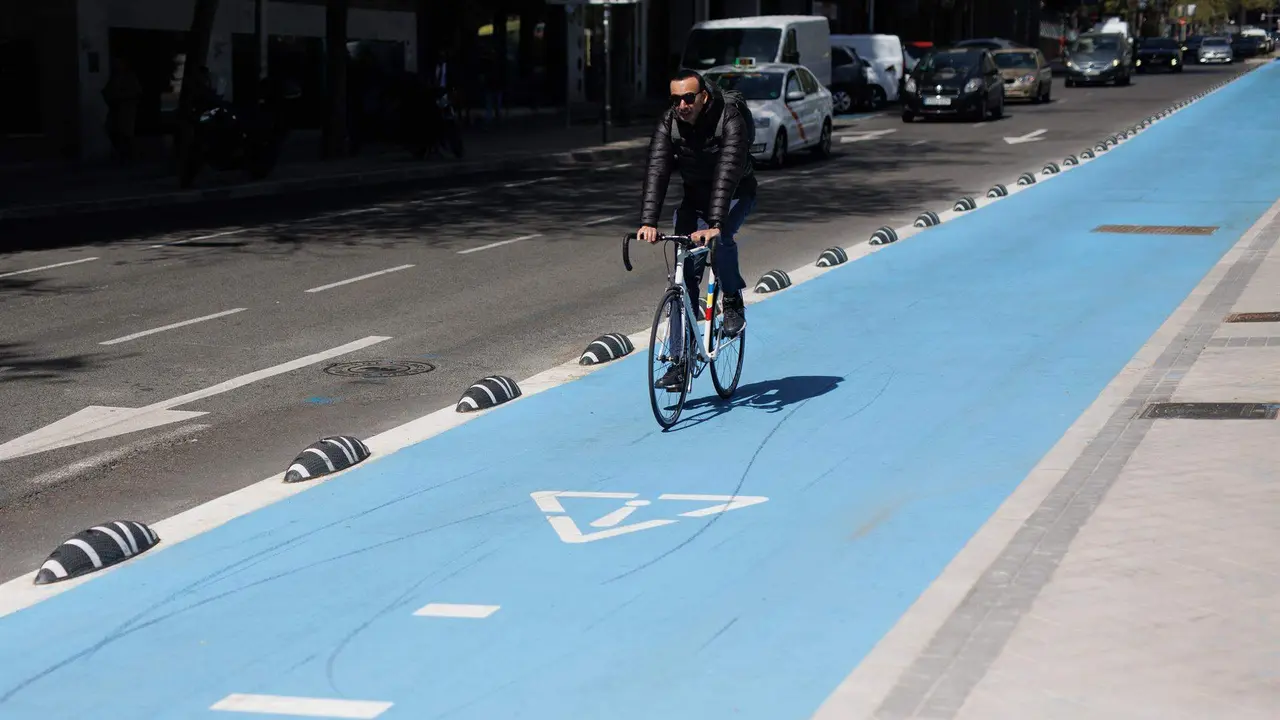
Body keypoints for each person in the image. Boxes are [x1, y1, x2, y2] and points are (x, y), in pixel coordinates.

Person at [636, 69, 757, 391]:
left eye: (688, 98)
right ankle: (679, 361)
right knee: (683, 277)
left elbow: (727, 173)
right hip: (695, 199)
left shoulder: (729, 120)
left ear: (703, 96)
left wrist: (715, 224)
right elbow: (657, 170)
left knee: (723, 239)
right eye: (676, 99)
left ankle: (731, 300)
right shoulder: (669, 123)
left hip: (734, 193)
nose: (682, 105)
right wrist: (648, 220)